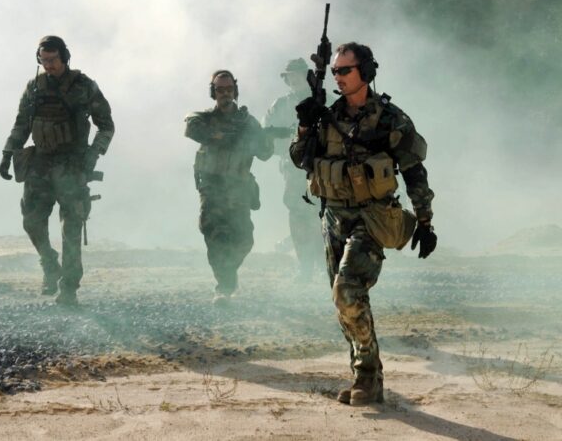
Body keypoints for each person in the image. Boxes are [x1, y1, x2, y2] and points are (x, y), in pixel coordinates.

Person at [290, 42, 437, 405]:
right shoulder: (328, 117)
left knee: (348, 290)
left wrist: (425, 220)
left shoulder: (390, 119)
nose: (338, 77)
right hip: (333, 217)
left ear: (366, 72)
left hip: (372, 217)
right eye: (335, 71)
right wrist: (306, 125)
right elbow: (300, 160)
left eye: (345, 71)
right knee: (344, 302)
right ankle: (364, 371)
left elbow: (414, 170)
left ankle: (367, 376)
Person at [0, 35, 114, 306]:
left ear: (64, 57)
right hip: (40, 163)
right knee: (31, 221)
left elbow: (106, 125)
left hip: (72, 165)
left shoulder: (84, 86)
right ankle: (50, 263)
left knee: (71, 227)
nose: (48, 65)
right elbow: (21, 123)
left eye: (52, 60)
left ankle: (69, 288)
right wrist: (8, 152)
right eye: (43, 60)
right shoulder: (34, 87)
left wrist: (92, 156)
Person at [185, 70, 274, 306]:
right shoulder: (204, 118)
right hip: (212, 187)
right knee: (213, 235)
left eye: (229, 89)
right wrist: (222, 136)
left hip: (238, 188)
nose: (225, 94)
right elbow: (190, 127)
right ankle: (223, 286)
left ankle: (229, 272)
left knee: (245, 239)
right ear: (213, 92)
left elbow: (265, 154)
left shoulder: (248, 122)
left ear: (235, 91)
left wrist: (262, 138)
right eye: (220, 90)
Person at [263, 58, 324, 277]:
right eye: (291, 76)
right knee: (299, 216)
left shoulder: (322, 100)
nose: (295, 80)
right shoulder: (280, 105)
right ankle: (305, 266)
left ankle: (323, 262)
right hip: (293, 169)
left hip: (323, 168)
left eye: (299, 74)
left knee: (321, 214)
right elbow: (267, 135)